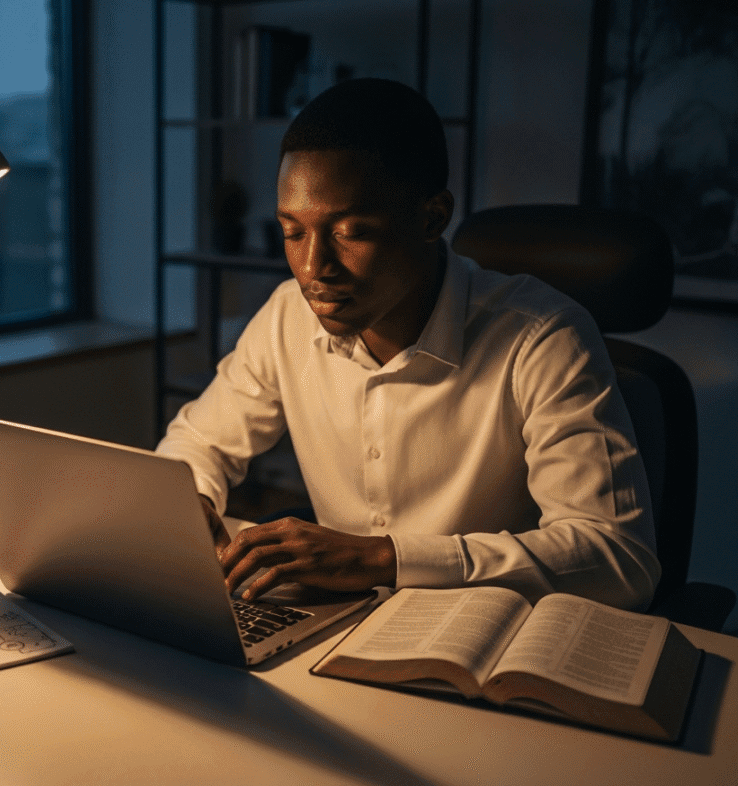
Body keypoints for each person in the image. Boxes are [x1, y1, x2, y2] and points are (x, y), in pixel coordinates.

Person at [155, 78, 660, 611]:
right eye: (293, 232)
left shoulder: (543, 338)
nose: (313, 270)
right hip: (346, 624)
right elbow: (197, 442)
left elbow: (618, 558)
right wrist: (190, 504)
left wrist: (380, 560)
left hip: (489, 634)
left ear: (431, 219)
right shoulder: (288, 313)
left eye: (351, 231)